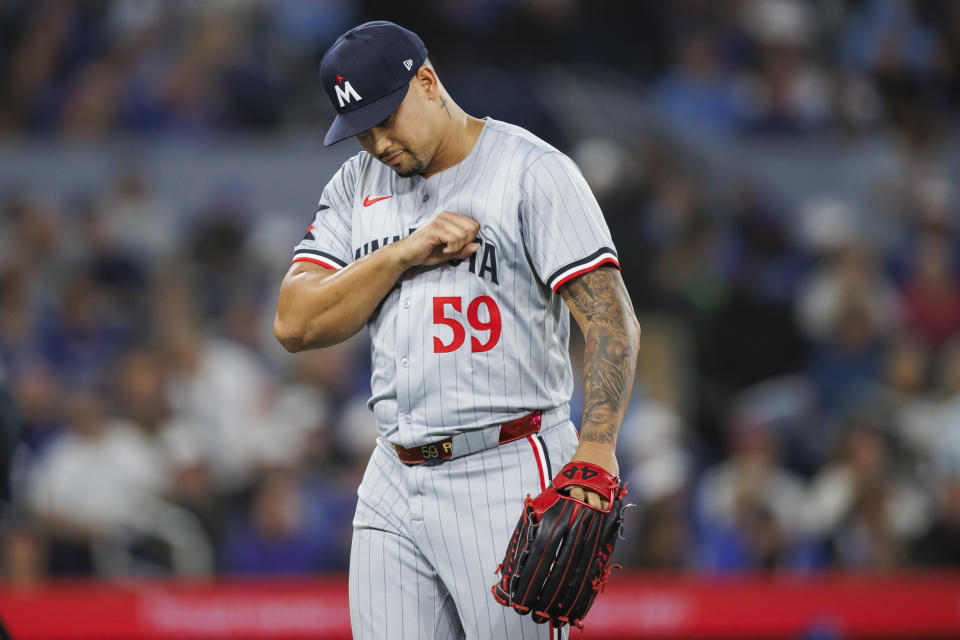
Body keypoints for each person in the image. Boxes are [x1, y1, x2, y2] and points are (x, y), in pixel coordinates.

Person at [274, 21, 641, 640]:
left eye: (387, 119)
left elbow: (611, 319)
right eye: (361, 131)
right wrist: (401, 254)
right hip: (393, 472)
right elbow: (295, 322)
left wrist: (598, 450)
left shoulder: (531, 171)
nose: (378, 143)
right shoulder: (355, 184)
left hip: (505, 465)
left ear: (426, 81)